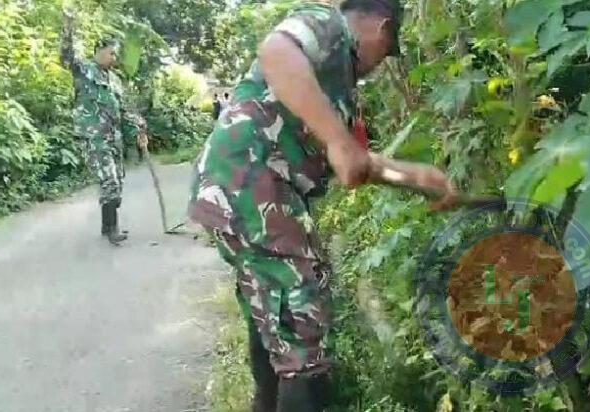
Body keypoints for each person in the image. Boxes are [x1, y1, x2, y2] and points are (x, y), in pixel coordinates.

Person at [187, 0, 455, 410]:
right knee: (304, 320)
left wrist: (419, 177)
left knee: (276, 318)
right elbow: (276, 50)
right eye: (389, 51)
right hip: (251, 183)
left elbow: (354, 164)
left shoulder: (334, 87)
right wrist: (336, 138)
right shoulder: (328, 25)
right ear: (382, 28)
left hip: (239, 188)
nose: (381, 65)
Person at [61, 11, 142, 245]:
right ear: (100, 51)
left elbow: (125, 111)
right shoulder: (84, 70)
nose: (114, 57)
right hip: (94, 137)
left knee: (118, 183)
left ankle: (108, 226)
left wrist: (139, 130)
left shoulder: (113, 80)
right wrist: (69, 27)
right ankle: (112, 229)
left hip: (113, 139)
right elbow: (66, 57)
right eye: (112, 52)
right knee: (110, 181)